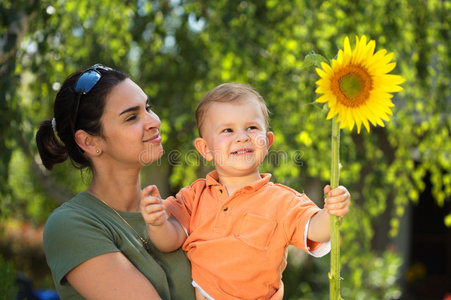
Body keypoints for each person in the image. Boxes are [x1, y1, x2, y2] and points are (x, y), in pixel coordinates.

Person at [140, 83, 351, 300]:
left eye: (251, 127)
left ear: (268, 142)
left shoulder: (282, 201)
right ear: (205, 149)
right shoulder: (194, 197)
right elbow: (169, 240)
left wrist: (332, 211)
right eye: (227, 130)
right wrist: (157, 223)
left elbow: (316, 230)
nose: (242, 137)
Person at [36, 64, 195, 300]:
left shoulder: (174, 211)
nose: (154, 121)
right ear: (89, 142)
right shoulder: (70, 225)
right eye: (132, 117)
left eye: (148, 108)